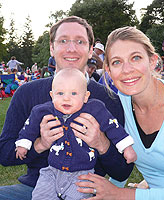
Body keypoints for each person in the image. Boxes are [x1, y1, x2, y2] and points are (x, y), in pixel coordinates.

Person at [0, 16, 133, 200]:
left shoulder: (108, 99)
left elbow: (122, 171)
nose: (71, 48)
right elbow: (4, 154)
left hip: (84, 190)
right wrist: (39, 144)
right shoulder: (26, 93)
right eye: (63, 41)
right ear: (52, 48)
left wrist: (101, 143)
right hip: (36, 188)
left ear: (90, 50)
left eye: (80, 41)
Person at [76, 26, 164, 200]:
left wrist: (117, 194)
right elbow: (126, 159)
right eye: (117, 62)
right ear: (109, 71)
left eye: (135, 58)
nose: (127, 69)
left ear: (152, 61)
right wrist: (107, 192)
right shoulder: (120, 104)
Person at [15, 68, 136, 199]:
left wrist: (126, 147)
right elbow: (30, 126)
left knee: (77, 196)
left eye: (73, 93)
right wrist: (24, 144)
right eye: (60, 93)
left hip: (82, 173)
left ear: (85, 97)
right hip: (51, 172)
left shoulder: (95, 109)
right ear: (52, 95)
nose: (66, 98)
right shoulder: (43, 110)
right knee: (40, 196)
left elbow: (114, 127)